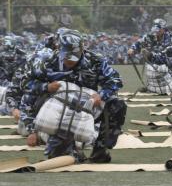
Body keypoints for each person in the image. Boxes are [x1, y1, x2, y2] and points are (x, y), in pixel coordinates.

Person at [22, 30, 125, 162]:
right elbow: (25, 85)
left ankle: (100, 150)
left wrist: (101, 95)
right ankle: (64, 147)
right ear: (59, 49)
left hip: (86, 108)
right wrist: (46, 87)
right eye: (66, 57)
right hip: (57, 112)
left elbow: (115, 80)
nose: (69, 61)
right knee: (62, 158)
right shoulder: (47, 61)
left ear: (82, 50)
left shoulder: (95, 61)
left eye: (73, 57)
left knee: (117, 105)